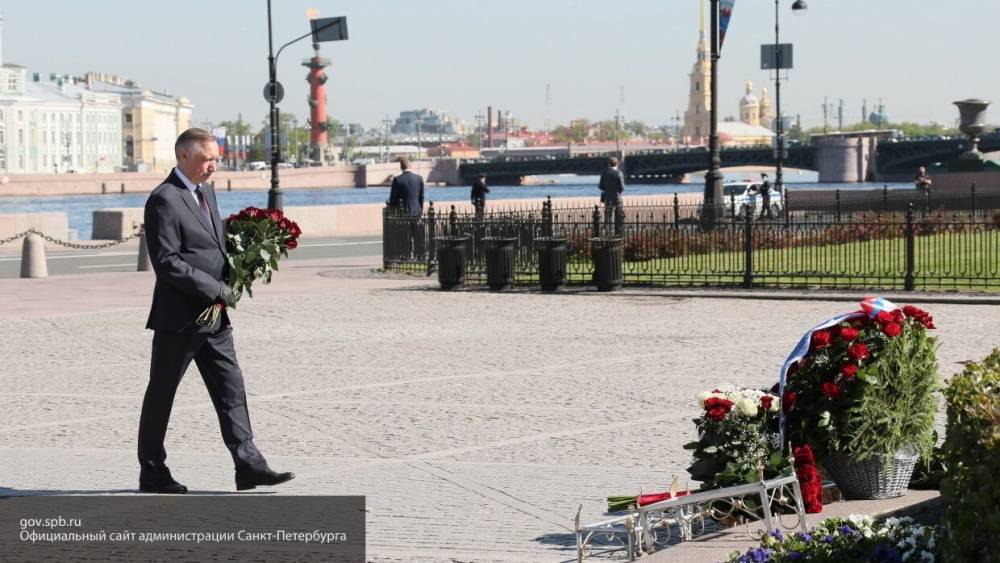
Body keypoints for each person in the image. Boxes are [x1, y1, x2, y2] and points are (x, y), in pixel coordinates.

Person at [138, 128, 294, 494]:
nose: (214, 166)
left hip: (216, 316)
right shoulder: (163, 199)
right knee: (162, 394)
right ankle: (152, 471)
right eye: (207, 159)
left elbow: (212, 242)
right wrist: (215, 288)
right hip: (179, 319)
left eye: (215, 159)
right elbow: (168, 262)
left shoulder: (206, 191)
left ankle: (249, 465)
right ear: (184, 157)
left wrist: (244, 254)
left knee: (231, 389)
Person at [388, 157, 425, 257]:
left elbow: (392, 199)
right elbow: (421, 197)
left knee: (405, 235)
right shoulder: (419, 178)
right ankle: (420, 255)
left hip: (403, 212)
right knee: (417, 235)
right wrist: (420, 210)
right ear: (410, 165)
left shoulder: (397, 180)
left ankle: (406, 255)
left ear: (401, 167)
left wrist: (392, 206)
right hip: (416, 211)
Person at [599, 157, 625, 232]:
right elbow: (622, 188)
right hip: (617, 197)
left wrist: (607, 190)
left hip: (607, 197)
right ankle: (618, 232)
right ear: (617, 163)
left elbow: (600, 186)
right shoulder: (619, 173)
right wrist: (617, 191)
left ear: (609, 164)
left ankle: (607, 231)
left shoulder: (604, 173)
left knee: (608, 216)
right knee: (618, 215)